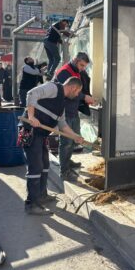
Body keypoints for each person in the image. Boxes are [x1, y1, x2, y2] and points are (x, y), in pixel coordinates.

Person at [21, 77, 84, 216]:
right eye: (78, 91)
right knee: (35, 167)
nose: (77, 94)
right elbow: (31, 94)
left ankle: (42, 195)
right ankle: (31, 204)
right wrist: (31, 117)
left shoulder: (62, 104)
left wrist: (75, 137)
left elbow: (63, 126)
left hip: (41, 135)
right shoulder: (53, 88)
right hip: (31, 132)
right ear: (74, 88)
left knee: (44, 164)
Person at [54, 52, 95, 180]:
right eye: (82, 65)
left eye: (85, 66)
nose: (83, 68)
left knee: (73, 140)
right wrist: (85, 97)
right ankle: (64, 170)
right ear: (76, 60)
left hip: (73, 111)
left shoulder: (77, 70)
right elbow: (69, 91)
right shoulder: (64, 72)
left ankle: (67, 161)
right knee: (66, 142)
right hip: (64, 112)